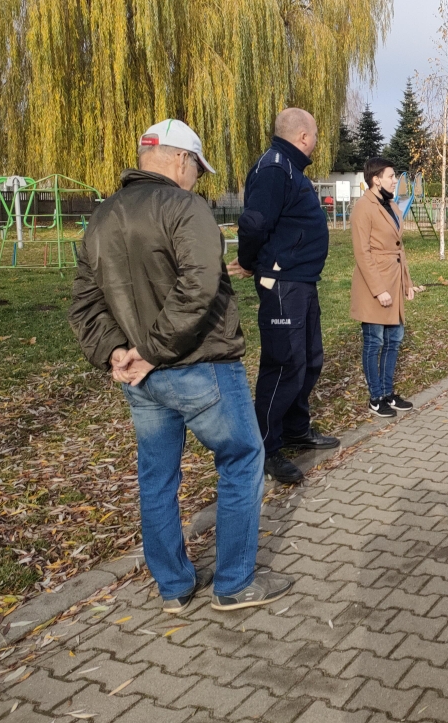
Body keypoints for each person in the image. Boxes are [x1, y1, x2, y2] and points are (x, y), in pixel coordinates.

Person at [69, 119, 294, 613]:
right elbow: (199, 287)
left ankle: (174, 586)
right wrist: (149, 350)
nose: (197, 178)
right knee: (242, 459)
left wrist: (117, 352)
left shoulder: (102, 217)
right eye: (197, 167)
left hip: (141, 378)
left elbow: (85, 303)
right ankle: (233, 583)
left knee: (157, 479)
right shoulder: (185, 207)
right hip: (200, 365)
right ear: (181, 160)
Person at [233, 108, 339, 485]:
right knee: (283, 364)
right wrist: (248, 262)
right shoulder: (274, 168)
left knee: (309, 359)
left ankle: (296, 428)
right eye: (314, 135)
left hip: (303, 282)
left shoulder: (292, 170)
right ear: (303, 136)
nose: (315, 142)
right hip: (282, 284)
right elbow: (254, 222)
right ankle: (266, 446)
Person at [350, 157, 416, 418]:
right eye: (390, 176)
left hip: (394, 280)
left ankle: (388, 392)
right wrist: (379, 290)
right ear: (376, 179)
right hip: (373, 285)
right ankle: (376, 397)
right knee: (374, 341)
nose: (394, 180)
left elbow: (400, 249)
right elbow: (362, 252)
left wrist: (407, 283)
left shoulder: (391, 205)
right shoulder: (363, 208)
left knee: (394, 340)